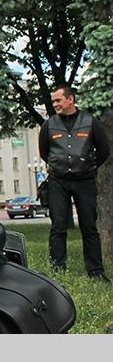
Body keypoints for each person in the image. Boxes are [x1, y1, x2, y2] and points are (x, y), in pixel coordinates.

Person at [39, 84, 110, 283]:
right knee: (58, 226)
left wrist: (89, 167)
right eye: (53, 101)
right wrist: (59, 166)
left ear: (71, 99)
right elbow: (44, 152)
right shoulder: (49, 125)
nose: (55, 104)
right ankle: (58, 270)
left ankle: (96, 272)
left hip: (85, 181)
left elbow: (103, 150)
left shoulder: (90, 122)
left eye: (58, 100)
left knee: (89, 227)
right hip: (58, 182)